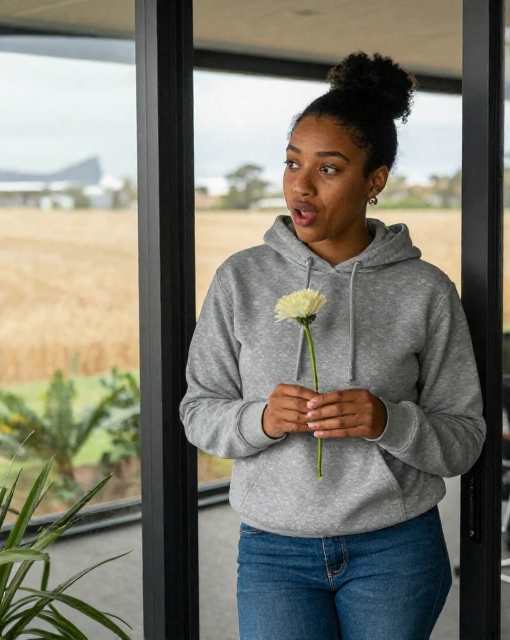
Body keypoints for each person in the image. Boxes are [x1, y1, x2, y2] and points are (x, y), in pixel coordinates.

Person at [179, 51, 484, 640]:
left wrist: (387, 421)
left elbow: (465, 439)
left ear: (375, 181)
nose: (302, 184)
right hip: (274, 553)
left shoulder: (425, 290)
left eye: (329, 169)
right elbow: (198, 411)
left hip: (396, 549)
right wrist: (261, 418)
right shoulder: (240, 279)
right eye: (293, 163)